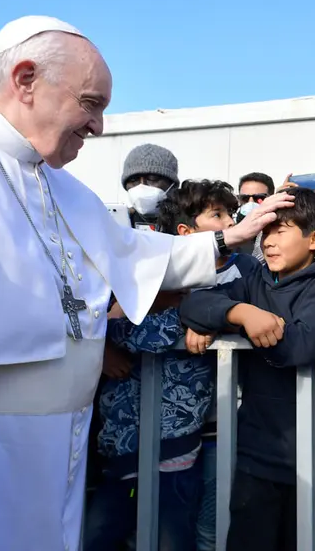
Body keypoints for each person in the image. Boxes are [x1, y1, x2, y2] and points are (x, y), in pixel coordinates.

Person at [0, 16, 290, 551]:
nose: (99, 127)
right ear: (25, 79)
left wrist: (231, 238)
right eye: (90, 103)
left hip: (56, 441)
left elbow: (135, 255)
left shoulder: (62, 187)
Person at [180, 188, 315, 551]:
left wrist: (231, 321)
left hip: (311, 460)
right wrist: (238, 313)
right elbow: (195, 303)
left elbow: (302, 344)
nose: (268, 242)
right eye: (264, 233)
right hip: (256, 452)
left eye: (280, 231)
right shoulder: (256, 280)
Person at [85, 180, 240, 550]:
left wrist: (198, 317)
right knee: (97, 537)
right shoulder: (135, 281)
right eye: (218, 215)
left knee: (172, 537)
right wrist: (101, 346)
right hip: (121, 449)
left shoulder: (226, 284)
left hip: (175, 450)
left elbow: (144, 329)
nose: (230, 223)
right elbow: (106, 322)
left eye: (230, 214)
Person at [121, 143, 180, 230]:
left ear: (172, 185)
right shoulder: (117, 223)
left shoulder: (190, 223)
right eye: (133, 180)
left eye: (152, 178)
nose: (142, 185)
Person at [236, 172, 276, 262]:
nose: (250, 202)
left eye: (259, 197)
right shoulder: (231, 232)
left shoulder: (279, 230)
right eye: (245, 198)